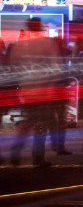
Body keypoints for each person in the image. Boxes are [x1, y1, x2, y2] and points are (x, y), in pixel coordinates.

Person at [8, 17, 66, 166]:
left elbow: (14, 65)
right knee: (41, 124)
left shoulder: (21, 44)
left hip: (28, 88)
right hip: (44, 89)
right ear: (40, 27)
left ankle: (17, 148)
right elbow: (56, 66)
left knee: (28, 121)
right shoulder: (47, 43)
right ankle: (37, 157)